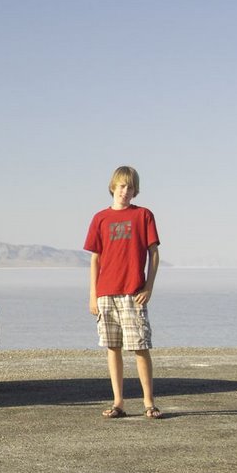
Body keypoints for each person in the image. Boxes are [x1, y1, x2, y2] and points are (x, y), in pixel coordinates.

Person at [84, 166, 162, 419]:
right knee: (112, 347)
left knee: (140, 347)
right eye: (121, 186)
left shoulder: (143, 216)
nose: (125, 191)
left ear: (135, 190)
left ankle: (149, 402)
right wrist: (93, 295)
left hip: (132, 292)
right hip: (106, 294)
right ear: (113, 187)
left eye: (130, 187)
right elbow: (95, 259)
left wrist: (148, 286)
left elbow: (154, 254)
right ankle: (118, 402)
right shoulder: (100, 218)